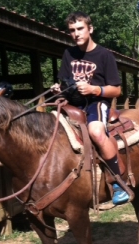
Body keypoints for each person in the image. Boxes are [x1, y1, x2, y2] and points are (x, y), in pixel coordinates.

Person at [52, 11, 130, 206]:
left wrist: (94, 89)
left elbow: (117, 90)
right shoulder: (68, 54)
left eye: (80, 29)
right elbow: (65, 82)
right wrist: (59, 89)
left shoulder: (105, 55)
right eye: (72, 30)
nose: (76, 34)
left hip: (97, 103)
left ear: (90, 29)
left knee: (96, 131)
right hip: (73, 103)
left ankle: (119, 181)